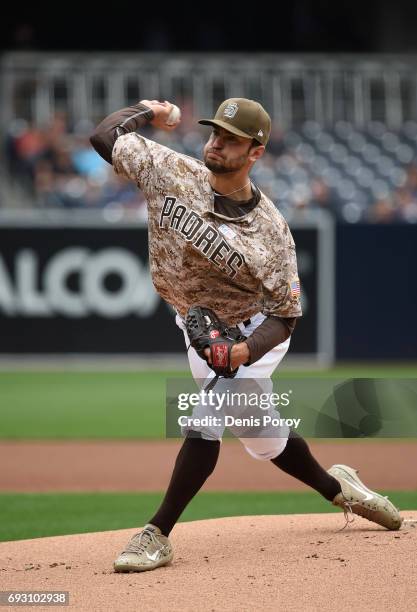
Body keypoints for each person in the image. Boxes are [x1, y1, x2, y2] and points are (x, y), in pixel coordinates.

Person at [90, 97, 402, 573]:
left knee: (205, 417)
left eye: (230, 139)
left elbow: (285, 316)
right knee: (263, 437)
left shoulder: (270, 232)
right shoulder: (171, 171)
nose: (216, 143)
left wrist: (243, 351)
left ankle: (157, 533)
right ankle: (341, 488)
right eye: (215, 134)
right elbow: (104, 138)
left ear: (255, 152)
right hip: (198, 325)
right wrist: (147, 111)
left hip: (253, 329)